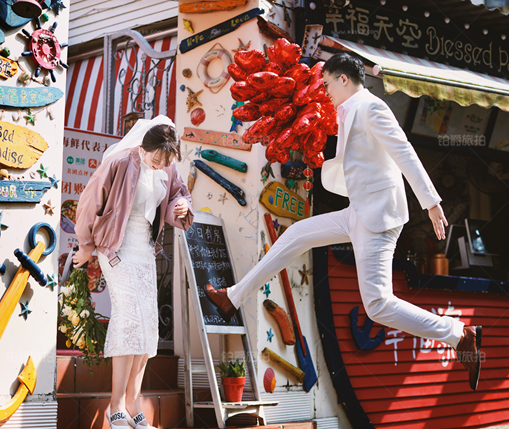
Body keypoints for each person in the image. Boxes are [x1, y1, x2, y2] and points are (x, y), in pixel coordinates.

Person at [206, 53, 482, 391]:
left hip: (377, 218)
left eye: (326, 84)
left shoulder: (372, 108)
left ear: (343, 79)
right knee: (296, 234)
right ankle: (232, 298)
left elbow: (404, 152)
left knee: (378, 305)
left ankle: (458, 335)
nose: (324, 91)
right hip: (358, 212)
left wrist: (432, 202)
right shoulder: (346, 111)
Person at [73, 119, 193, 429]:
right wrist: (85, 247)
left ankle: (134, 406)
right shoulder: (119, 161)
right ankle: (115, 408)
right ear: (142, 148)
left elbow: (180, 193)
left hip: (144, 250)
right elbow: (89, 204)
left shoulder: (168, 165)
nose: (160, 166)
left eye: (165, 162)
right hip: (116, 247)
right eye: (155, 160)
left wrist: (181, 205)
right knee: (128, 319)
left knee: (147, 327)